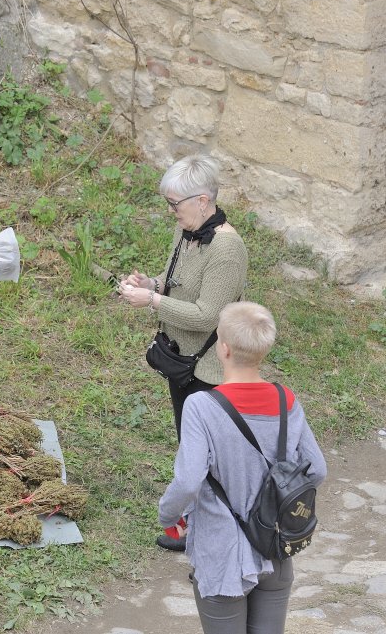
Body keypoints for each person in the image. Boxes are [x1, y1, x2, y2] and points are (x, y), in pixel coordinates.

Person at [158, 302, 327, 634]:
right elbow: (317, 469)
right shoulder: (286, 400)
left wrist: (168, 515)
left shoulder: (201, 406)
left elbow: (189, 480)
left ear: (223, 349)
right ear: (264, 350)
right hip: (275, 545)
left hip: (223, 555)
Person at [118, 154, 247, 550]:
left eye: (175, 204)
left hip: (212, 370)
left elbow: (208, 315)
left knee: (211, 458)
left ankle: (220, 536)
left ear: (203, 201)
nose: (171, 211)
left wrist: (152, 301)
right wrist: (152, 284)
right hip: (182, 362)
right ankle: (198, 527)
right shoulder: (186, 231)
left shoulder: (227, 250)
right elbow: (177, 282)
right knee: (192, 451)